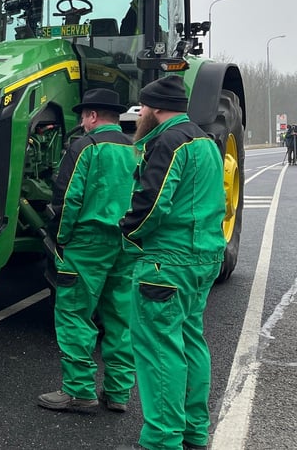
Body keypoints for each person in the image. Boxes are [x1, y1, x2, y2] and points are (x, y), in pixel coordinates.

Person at [119, 76, 226, 450]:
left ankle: (163, 439)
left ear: (156, 108)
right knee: (190, 341)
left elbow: (153, 202)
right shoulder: (206, 142)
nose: (141, 114)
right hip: (203, 256)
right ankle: (194, 431)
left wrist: (126, 233)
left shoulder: (167, 141)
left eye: (143, 108)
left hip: (168, 261)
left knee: (158, 349)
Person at [37, 88, 137, 413]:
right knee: (120, 317)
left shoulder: (84, 148)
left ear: (93, 116)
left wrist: (60, 240)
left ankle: (79, 390)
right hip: (124, 244)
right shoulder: (136, 150)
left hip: (86, 244)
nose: (82, 121)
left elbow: (67, 199)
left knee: (75, 315)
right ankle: (119, 392)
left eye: (83, 116)